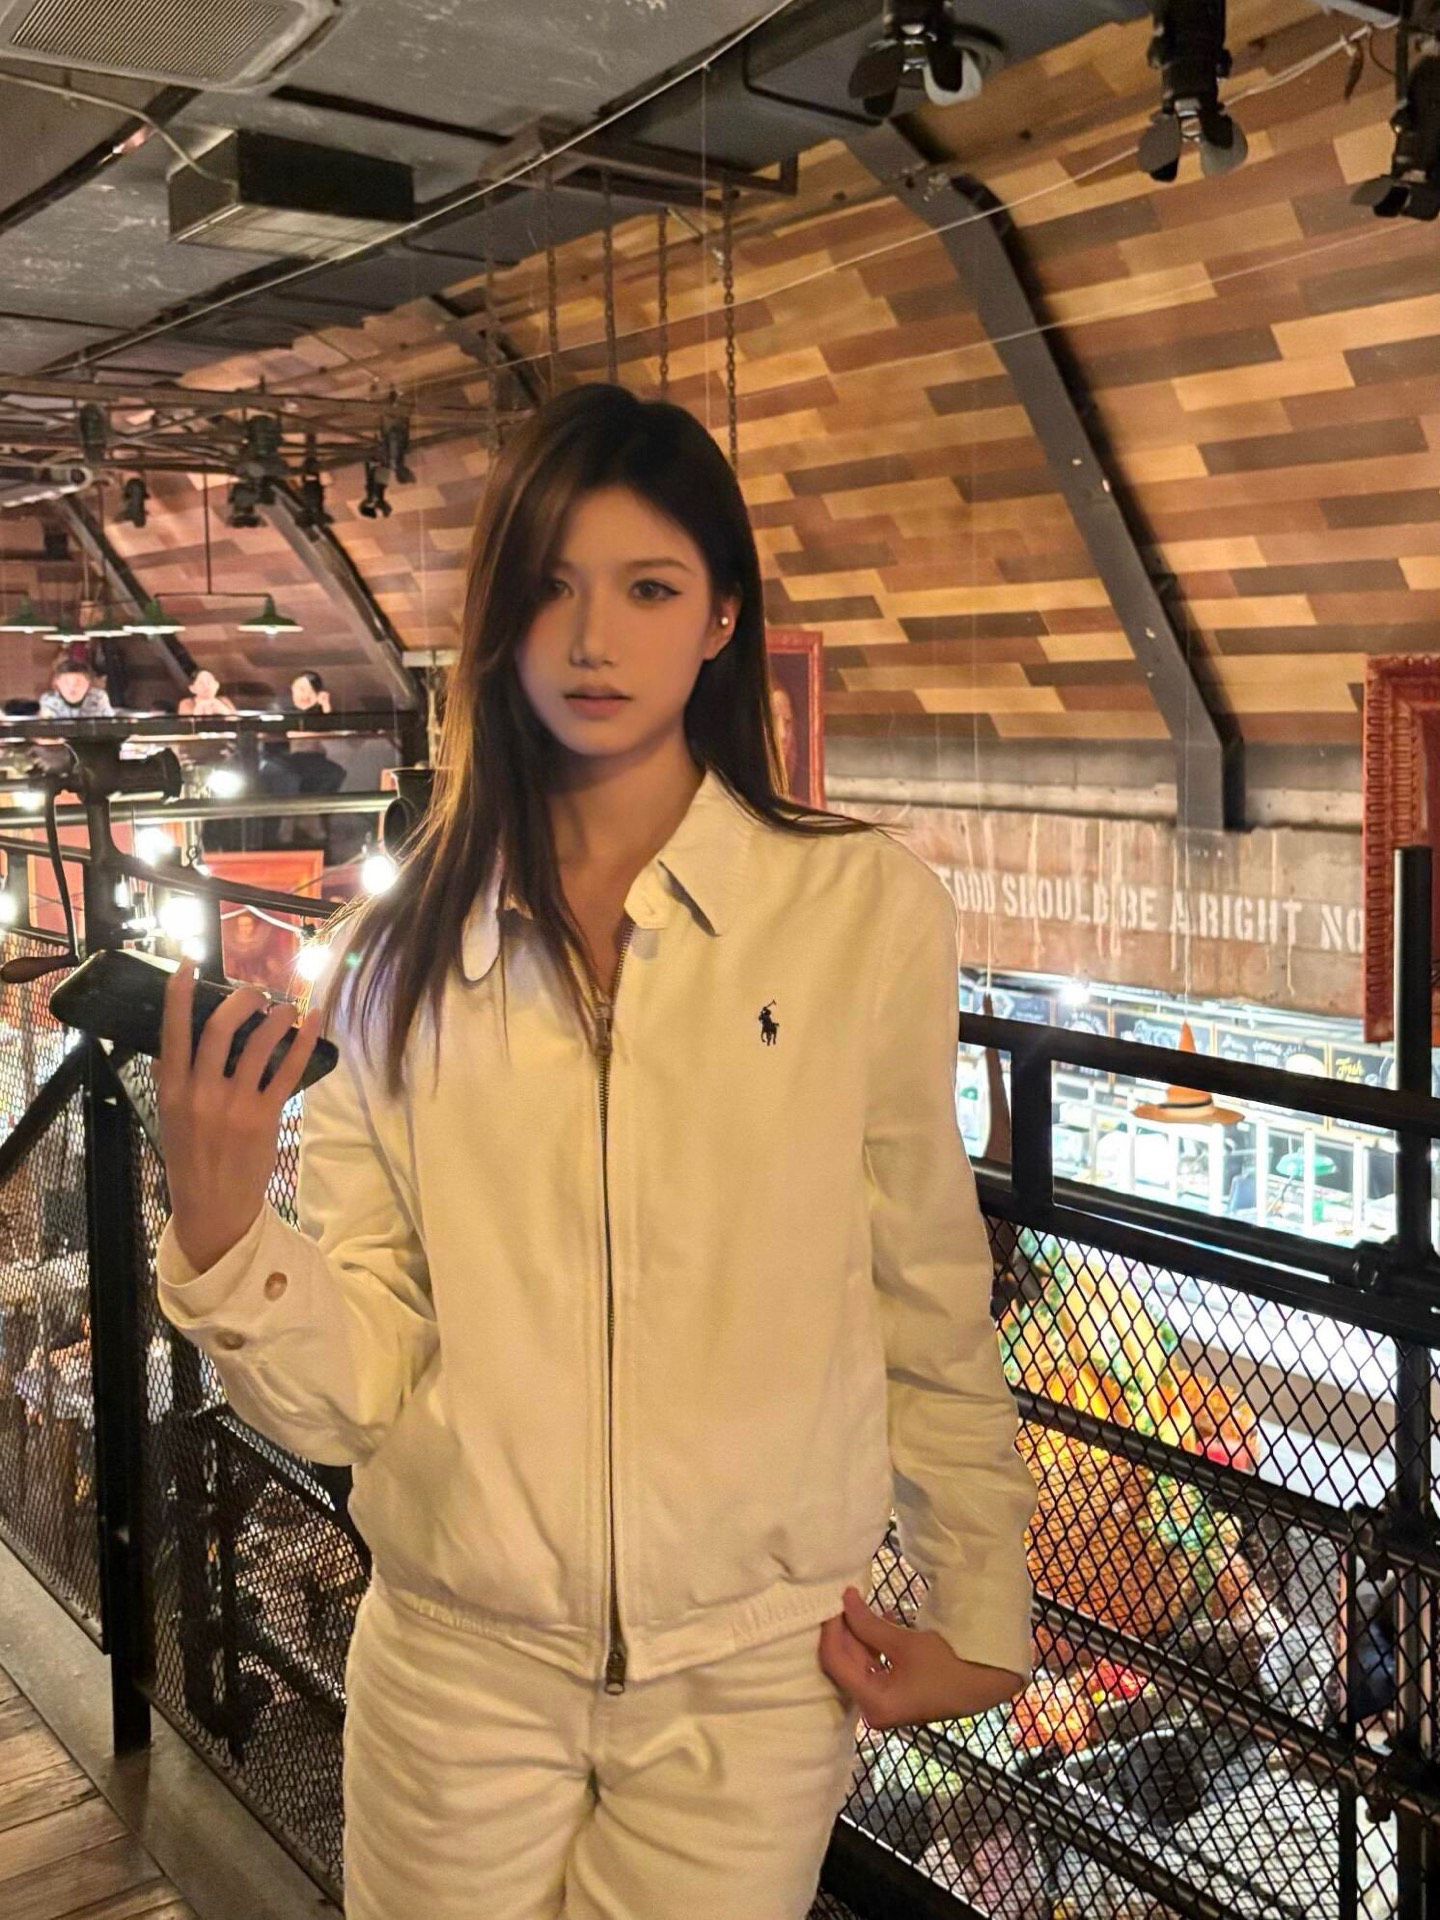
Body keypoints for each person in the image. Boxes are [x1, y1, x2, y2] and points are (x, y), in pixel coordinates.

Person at [152, 383, 1036, 1920]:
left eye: (647, 589)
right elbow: (356, 1389)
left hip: (754, 1680)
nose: (591, 640)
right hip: (457, 1674)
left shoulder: (858, 913)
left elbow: (922, 1275)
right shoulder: (392, 959)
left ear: (720, 619)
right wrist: (232, 1244)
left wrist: (981, 1601)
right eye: (551, 588)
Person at [38, 648, 113, 720]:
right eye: (67, 683)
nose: (72, 687)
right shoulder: (49, 700)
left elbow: (109, 723)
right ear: (57, 682)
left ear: (88, 683)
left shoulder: (99, 697)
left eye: (78, 682)